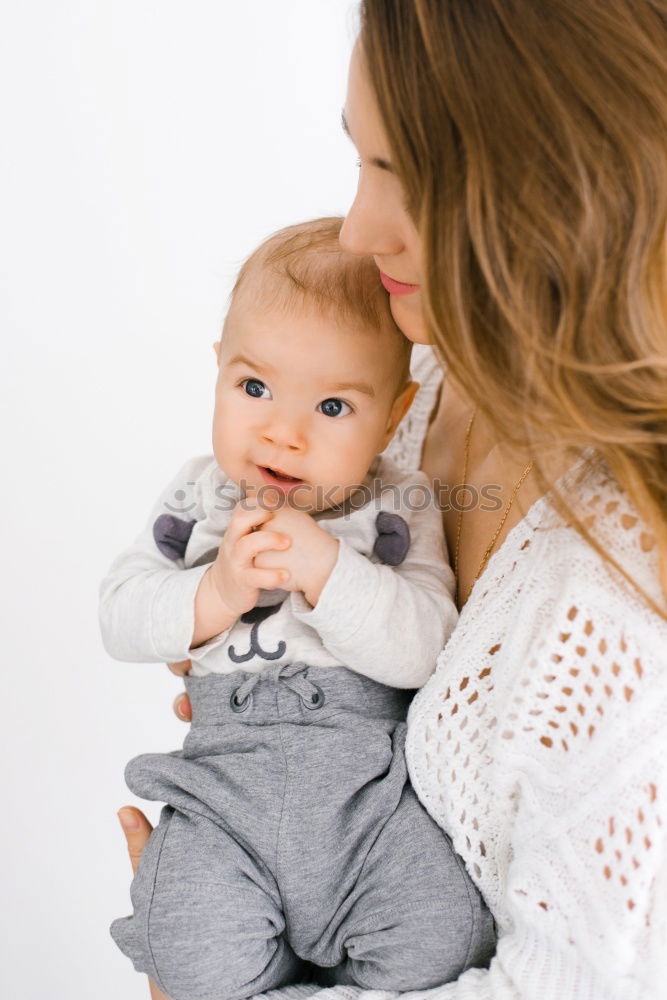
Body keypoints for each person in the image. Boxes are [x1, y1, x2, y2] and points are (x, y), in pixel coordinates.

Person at [117, 2, 667, 998]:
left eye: (408, 173)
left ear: (573, 184)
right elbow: (138, 604)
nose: (361, 228)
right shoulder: (409, 387)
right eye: (361, 157)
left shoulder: (626, 593)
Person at [102, 217, 496, 1000]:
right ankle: (252, 963)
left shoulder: (401, 505)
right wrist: (211, 595)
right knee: (188, 957)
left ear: (393, 415)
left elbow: (426, 647)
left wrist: (330, 572)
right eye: (253, 389)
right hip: (224, 796)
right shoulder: (198, 497)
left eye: (333, 408)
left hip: (370, 801)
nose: (282, 433)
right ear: (217, 370)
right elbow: (119, 613)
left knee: (442, 937)